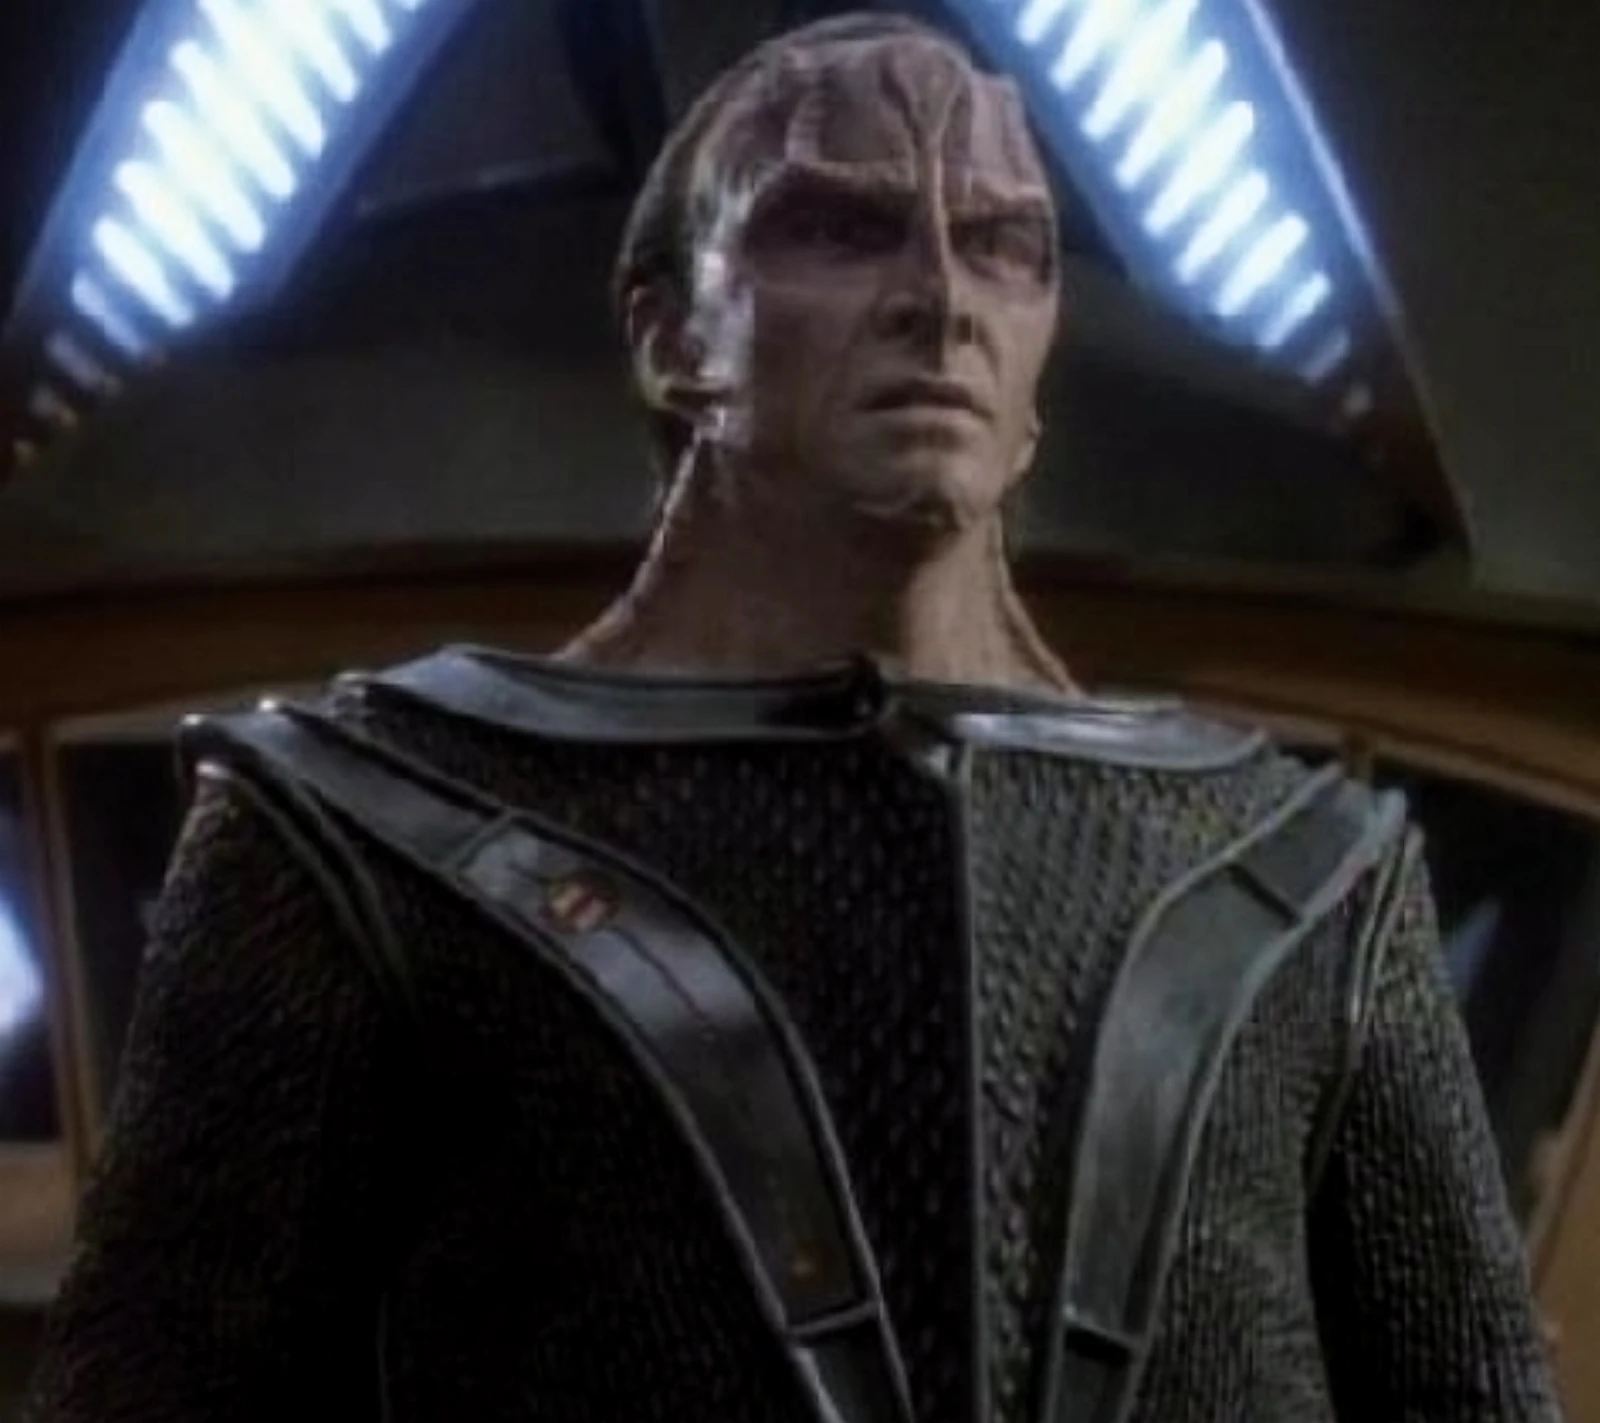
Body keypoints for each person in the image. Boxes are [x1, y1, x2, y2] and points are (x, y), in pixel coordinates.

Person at [27, 14, 1561, 1423]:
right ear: (673, 336)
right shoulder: (360, 840)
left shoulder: (1298, 879)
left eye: (1006, 245)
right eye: (839, 226)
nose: (942, 300)